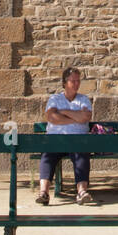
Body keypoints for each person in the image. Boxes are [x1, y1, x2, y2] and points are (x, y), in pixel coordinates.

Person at [37, 66, 94, 205]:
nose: (76, 84)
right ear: (64, 83)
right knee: (48, 155)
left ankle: (81, 192)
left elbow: (85, 117)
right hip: (57, 138)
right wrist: (75, 117)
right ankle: (43, 192)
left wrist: (63, 112)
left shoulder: (84, 99)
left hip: (78, 138)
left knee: (81, 155)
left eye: (78, 81)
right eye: (72, 81)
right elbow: (51, 117)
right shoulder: (54, 98)